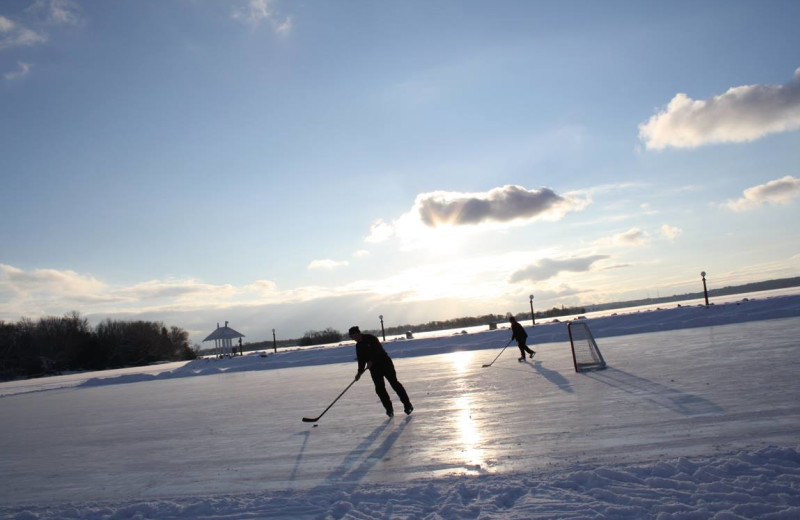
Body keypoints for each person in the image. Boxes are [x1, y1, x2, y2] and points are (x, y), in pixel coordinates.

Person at [349, 326, 413, 417]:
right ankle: (389, 409)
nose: (353, 338)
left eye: (353, 335)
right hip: (374, 369)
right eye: (351, 337)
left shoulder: (371, 338)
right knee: (379, 389)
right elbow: (361, 360)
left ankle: (408, 405)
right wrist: (359, 372)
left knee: (394, 384)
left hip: (385, 364)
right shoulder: (358, 346)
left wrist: (372, 360)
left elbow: (378, 351)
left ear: (358, 333)